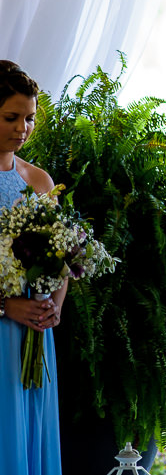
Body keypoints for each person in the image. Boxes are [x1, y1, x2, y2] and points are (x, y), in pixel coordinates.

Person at [0, 61, 62, 475]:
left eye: (30, 118)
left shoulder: (39, 180)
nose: (23, 127)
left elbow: (64, 256)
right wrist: (6, 307)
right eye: (11, 117)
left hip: (35, 334)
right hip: (4, 325)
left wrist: (53, 305)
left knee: (31, 438)